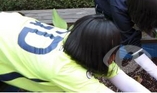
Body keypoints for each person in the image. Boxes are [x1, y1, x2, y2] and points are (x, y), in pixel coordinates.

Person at [0, 12, 149, 92]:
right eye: (112, 51)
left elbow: (125, 81)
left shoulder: (80, 41)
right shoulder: (64, 69)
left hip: (8, 22)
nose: (115, 56)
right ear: (96, 52)